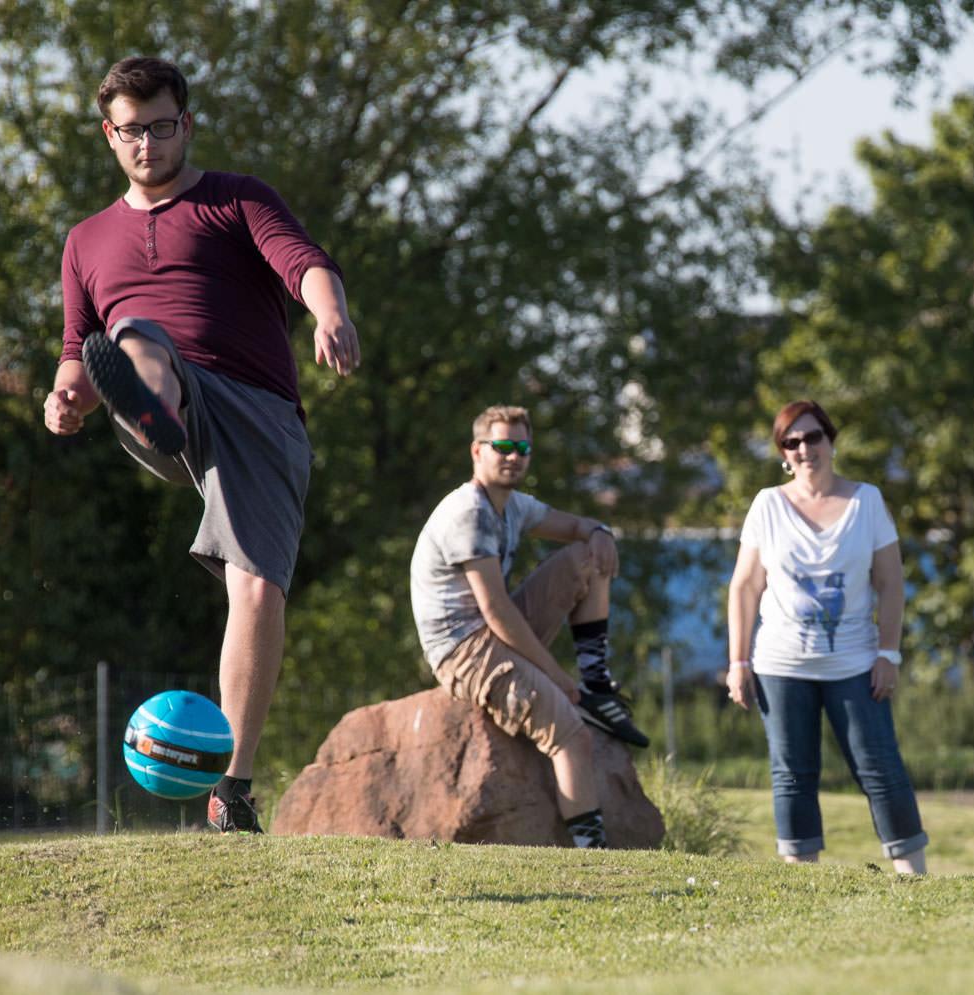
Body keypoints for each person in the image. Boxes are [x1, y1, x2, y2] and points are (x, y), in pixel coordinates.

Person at [43, 57, 361, 833]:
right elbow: (76, 346)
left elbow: (304, 264)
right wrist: (64, 397)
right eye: (131, 131)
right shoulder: (86, 242)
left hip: (257, 413)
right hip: (160, 393)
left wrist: (330, 315)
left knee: (256, 590)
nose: (146, 144)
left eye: (160, 126)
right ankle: (153, 406)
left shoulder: (236, 199)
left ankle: (234, 789)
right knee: (136, 336)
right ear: (109, 135)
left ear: (184, 125)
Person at [409, 405, 650, 849]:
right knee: (571, 736)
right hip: (462, 648)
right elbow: (496, 610)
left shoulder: (514, 506)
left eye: (522, 447)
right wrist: (557, 680)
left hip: (491, 632)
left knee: (586, 557)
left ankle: (597, 681)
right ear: (477, 451)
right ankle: (591, 852)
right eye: (502, 446)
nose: (513, 456)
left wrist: (599, 530)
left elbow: (576, 527)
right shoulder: (469, 512)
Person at [725, 399, 928, 874]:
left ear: (830, 440)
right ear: (783, 453)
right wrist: (738, 663)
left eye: (812, 437)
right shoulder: (767, 505)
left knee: (881, 769)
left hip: (856, 664)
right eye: (791, 442)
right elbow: (745, 585)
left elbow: (891, 583)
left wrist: (888, 654)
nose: (803, 449)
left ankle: (913, 876)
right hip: (780, 665)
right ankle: (802, 878)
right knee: (792, 776)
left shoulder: (867, 502)